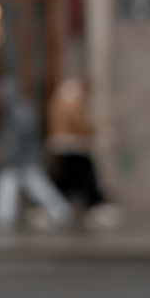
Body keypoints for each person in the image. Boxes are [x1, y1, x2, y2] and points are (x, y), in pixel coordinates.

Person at [0, 74, 71, 231]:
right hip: (22, 159)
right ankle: (4, 217)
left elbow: (17, 139)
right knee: (12, 184)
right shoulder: (19, 110)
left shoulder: (18, 112)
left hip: (23, 159)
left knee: (32, 185)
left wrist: (6, 152)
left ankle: (59, 210)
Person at [46, 76, 120, 227]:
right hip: (71, 145)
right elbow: (79, 123)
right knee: (81, 176)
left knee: (67, 177)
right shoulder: (70, 101)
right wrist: (95, 131)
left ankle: (54, 205)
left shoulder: (60, 100)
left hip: (66, 145)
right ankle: (95, 204)